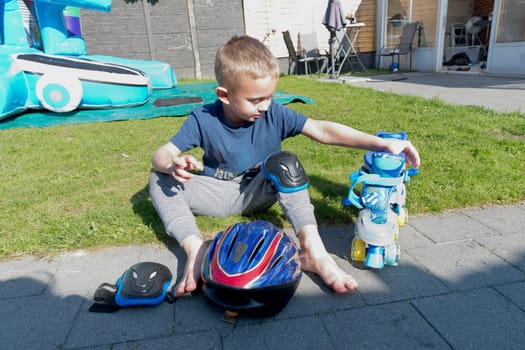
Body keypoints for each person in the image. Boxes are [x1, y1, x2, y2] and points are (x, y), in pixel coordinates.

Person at [149, 35, 420, 297]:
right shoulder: (203, 118)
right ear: (225, 94)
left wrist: (380, 144)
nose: (265, 106)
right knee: (158, 178)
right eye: (256, 100)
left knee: (285, 162)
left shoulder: (274, 112)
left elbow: (322, 130)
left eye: (269, 97)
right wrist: (171, 163)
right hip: (217, 193)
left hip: (259, 191)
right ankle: (196, 250)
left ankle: (314, 252)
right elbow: (160, 154)